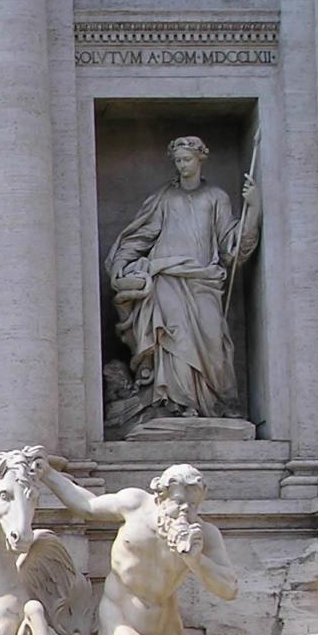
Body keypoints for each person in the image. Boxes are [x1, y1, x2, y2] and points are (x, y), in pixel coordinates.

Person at [36, 460, 238, 635]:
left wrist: (195, 560)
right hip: (120, 614)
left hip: (165, 623)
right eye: (179, 501)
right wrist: (48, 474)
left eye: (193, 505)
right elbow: (87, 505)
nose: (185, 510)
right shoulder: (135, 505)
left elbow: (229, 589)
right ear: (161, 497)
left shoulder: (204, 535)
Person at [105, 136, 258, 422]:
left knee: (214, 341)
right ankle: (176, 403)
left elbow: (232, 247)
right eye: (178, 160)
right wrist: (122, 263)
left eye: (187, 159)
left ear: (200, 159)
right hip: (166, 278)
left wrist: (254, 210)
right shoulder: (165, 198)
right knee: (172, 338)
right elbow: (141, 236)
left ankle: (217, 405)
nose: (182, 165)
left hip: (203, 280)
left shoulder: (216, 198)